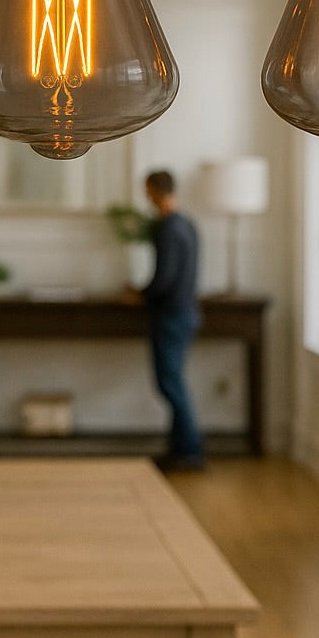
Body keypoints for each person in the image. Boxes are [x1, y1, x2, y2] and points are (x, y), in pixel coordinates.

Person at [137, 169, 204, 472]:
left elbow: (163, 279)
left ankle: (189, 450)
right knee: (174, 381)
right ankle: (180, 449)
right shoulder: (188, 225)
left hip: (170, 315)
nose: (145, 196)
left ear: (155, 190)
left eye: (147, 190)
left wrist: (140, 295)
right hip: (187, 312)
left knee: (170, 383)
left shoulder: (166, 228)